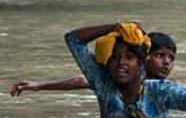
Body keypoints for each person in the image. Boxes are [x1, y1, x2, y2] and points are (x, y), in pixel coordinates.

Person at [64, 22, 186, 118]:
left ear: (142, 63)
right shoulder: (103, 85)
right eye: (115, 58)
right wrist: (114, 27)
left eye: (129, 58)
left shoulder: (160, 90)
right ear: (108, 64)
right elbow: (73, 39)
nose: (121, 63)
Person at [10, 33, 177, 96]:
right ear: (144, 57)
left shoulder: (169, 88)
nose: (166, 63)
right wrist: (39, 85)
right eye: (160, 55)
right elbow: (82, 81)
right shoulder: (117, 81)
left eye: (171, 58)